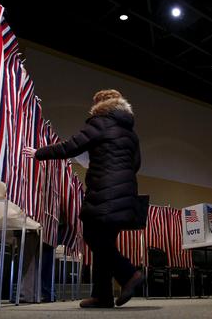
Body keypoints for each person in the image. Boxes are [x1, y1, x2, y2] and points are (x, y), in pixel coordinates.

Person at [23, 89, 144, 308]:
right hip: (125, 193)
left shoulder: (99, 123)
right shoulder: (131, 133)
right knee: (104, 243)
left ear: (100, 104)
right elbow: (136, 165)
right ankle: (102, 296)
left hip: (104, 192)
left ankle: (129, 273)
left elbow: (71, 146)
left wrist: (39, 153)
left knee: (92, 235)